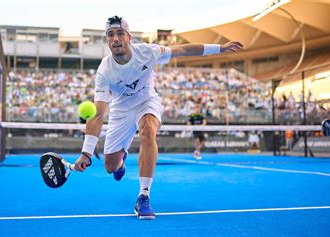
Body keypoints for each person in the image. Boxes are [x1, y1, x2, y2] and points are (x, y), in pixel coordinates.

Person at [73, 15, 243, 219]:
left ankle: (143, 196)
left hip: (147, 101)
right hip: (121, 109)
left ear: (129, 37)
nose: (115, 39)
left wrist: (220, 48)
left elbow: (186, 50)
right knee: (111, 167)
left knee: (147, 130)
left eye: (119, 34)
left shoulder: (148, 52)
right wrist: (87, 152)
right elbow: (99, 113)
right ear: (107, 40)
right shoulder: (104, 70)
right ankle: (121, 159)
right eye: (110, 35)